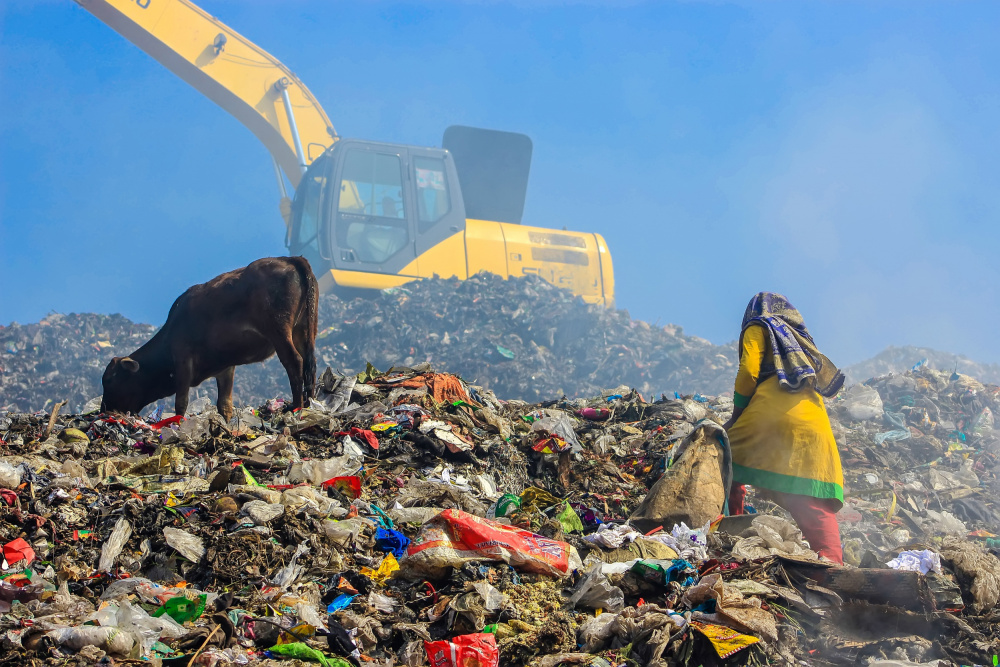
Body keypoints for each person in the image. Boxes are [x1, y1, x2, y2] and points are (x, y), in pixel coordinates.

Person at [724, 292, 847, 564]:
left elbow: (748, 372)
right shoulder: (800, 341)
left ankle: (730, 532)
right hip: (814, 424)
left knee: (725, 461)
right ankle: (834, 567)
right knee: (811, 499)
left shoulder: (759, 326)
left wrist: (735, 416)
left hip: (769, 417)